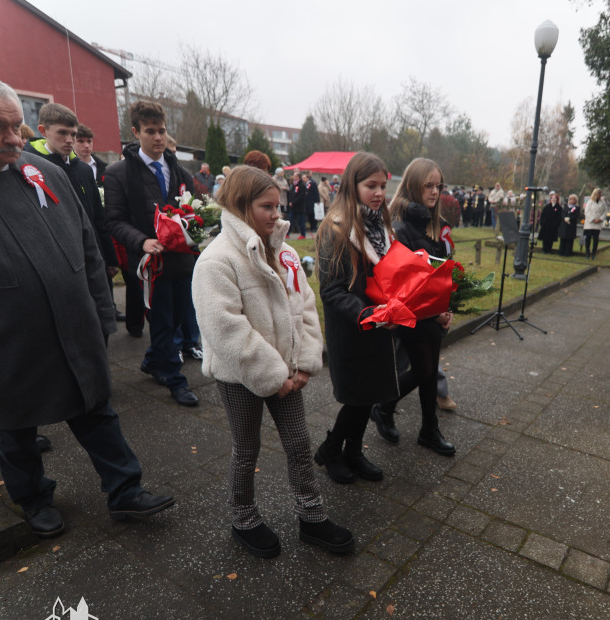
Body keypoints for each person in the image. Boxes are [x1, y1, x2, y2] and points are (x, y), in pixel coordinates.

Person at [0, 68, 174, 538]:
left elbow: (87, 247)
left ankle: (125, 490)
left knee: (97, 412)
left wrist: (98, 313)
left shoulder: (41, 171)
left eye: (17, 126)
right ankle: (32, 498)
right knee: (13, 433)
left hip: (74, 329)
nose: (14, 140)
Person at [192, 166, 352, 558]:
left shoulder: (284, 252)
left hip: (287, 373)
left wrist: (302, 364)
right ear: (239, 205)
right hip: (241, 375)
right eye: (266, 206)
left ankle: (311, 515)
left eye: (278, 206)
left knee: (299, 443)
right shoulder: (216, 262)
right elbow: (226, 329)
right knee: (246, 449)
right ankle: (243, 517)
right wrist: (274, 374)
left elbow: (304, 307)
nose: (277, 215)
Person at [104, 100, 200, 407]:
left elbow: (194, 214)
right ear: (136, 132)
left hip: (182, 261)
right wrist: (142, 241)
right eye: (150, 131)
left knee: (174, 321)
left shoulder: (180, 171)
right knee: (160, 323)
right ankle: (175, 379)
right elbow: (114, 221)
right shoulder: (119, 173)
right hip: (149, 264)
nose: (158, 137)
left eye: (161, 131)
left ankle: (151, 361)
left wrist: (199, 232)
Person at [313, 152, 395, 484]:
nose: (378, 193)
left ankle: (353, 451)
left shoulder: (380, 223)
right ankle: (331, 450)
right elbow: (331, 291)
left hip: (378, 325)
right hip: (352, 329)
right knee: (356, 398)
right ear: (352, 184)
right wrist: (367, 313)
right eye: (370, 185)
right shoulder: (335, 229)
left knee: (369, 394)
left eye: (382, 186)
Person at [370, 158, 455, 456]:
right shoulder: (403, 225)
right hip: (413, 314)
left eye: (438, 186)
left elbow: (440, 272)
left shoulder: (433, 222)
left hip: (431, 313)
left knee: (428, 372)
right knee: (424, 371)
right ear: (413, 185)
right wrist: (433, 309)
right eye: (428, 185)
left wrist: (446, 307)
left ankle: (422, 427)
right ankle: (391, 411)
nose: (434, 192)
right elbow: (401, 280)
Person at [24, 103, 120, 340]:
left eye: (73, 135)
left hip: (91, 255)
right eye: (62, 133)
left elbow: (98, 218)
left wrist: (109, 257)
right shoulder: (28, 167)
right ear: (43, 130)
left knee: (99, 320)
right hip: (57, 259)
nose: (70, 140)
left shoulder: (84, 170)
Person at [583, 188, 606, 259]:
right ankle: (587, 253)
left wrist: (600, 219)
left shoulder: (603, 202)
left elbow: (605, 212)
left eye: (600, 193)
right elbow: (587, 212)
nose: (600, 195)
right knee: (588, 238)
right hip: (590, 223)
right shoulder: (590, 202)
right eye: (599, 193)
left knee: (596, 239)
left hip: (598, 223)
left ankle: (593, 253)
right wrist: (593, 219)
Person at [289, 170, 307, 239]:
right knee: (290, 220)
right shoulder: (293, 185)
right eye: (294, 176)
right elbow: (291, 194)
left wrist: (293, 202)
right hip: (293, 207)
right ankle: (287, 233)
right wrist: (290, 202)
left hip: (299, 207)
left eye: (295, 176)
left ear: (298, 177)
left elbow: (301, 197)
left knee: (301, 221)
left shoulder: (302, 186)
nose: (294, 177)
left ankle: (303, 234)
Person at [305, 170, 321, 235]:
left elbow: (316, 192)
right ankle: (312, 226)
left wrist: (317, 200)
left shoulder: (313, 183)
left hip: (312, 201)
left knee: (313, 214)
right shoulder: (306, 183)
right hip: (308, 202)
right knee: (309, 215)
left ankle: (314, 227)